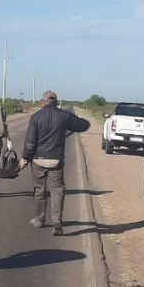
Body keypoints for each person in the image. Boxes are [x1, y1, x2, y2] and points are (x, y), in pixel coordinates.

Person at [19, 90, 90, 236]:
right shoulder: (64, 116)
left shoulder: (35, 117)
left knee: (39, 190)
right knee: (57, 189)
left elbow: (30, 142)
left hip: (38, 160)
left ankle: (39, 220)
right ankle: (57, 221)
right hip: (56, 160)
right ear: (56, 102)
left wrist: (25, 158)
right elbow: (84, 125)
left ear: (43, 102)